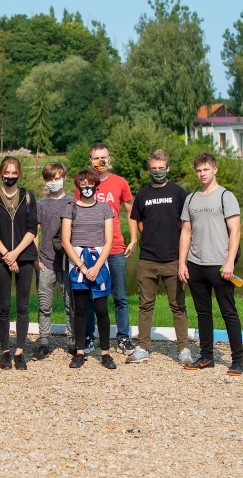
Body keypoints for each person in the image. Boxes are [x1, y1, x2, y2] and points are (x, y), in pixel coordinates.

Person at [179, 153, 243, 376]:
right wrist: (182, 263)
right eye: (198, 170)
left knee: (228, 312)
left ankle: (237, 360)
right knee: (203, 313)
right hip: (196, 264)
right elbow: (186, 233)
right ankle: (206, 357)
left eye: (206, 169)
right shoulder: (191, 199)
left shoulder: (226, 196)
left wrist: (229, 261)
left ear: (214, 170)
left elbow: (235, 231)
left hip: (220, 265)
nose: (202, 173)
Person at [126, 150, 192, 365]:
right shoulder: (143, 195)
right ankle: (143, 347)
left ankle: (183, 349)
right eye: (153, 169)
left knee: (178, 306)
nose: (157, 172)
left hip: (174, 258)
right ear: (149, 170)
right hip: (148, 259)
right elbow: (138, 221)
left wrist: (183, 255)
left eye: (161, 168)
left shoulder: (178, 193)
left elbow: (186, 226)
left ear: (168, 168)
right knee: (146, 305)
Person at [80, 143, 137, 356]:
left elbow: (131, 210)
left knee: (120, 295)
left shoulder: (120, 182)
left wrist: (133, 238)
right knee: (92, 296)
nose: (100, 162)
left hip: (115, 247)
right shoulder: (84, 183)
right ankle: (89, 336)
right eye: (96, 158)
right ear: (90, 160)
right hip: (92, 248)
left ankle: (123, 338)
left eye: (104, 157)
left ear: (109, 159)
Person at [62, 169, 117, 370]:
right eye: (83, 184)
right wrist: (83, 267)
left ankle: (105, 353)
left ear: (96, 185)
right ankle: (79, 352)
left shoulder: (104, 209)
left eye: (90, 184)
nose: (87, 187)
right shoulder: (70, 209)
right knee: (81, 309)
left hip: (99, 261)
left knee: (102, 309)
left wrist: (96, 267)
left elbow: (109, 240)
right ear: (78, 186)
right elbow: (66, 241)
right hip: (78, 262)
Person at [0, 156, 38, 370]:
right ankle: (5, 351)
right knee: (3, 306)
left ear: (19, 173)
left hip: (25, 255)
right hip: (0, 256)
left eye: (14, 172)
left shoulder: (28, 196)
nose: (10, 176)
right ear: (1, 173)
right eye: (6, 172)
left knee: (22, 305)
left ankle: (20, 350)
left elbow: (32, 228)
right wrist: (6, 255)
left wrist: (16, 253)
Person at [33, 162, 75, 360]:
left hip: (69, 263)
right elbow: (35, 232)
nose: (54, 182)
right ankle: (43, 341)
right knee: (44, 305)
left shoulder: (73, 203)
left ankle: (73, 340)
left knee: (71, 304)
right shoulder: (40, 204)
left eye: (57, 178)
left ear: (64, 177)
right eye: (50, 179)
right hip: (46, 261)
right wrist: (36, 259)